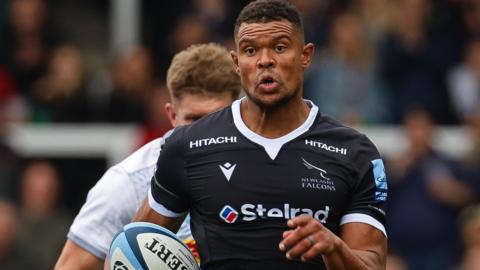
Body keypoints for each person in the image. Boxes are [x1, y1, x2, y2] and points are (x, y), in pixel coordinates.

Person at [135, 0, 388, 269]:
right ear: (236, 62)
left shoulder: (356, 153)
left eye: (279, 48)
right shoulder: (187, 146)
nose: (265, 60)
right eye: (250, 50)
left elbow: (372, 263)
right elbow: (134, 249)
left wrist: (334, 247)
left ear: (306, 56)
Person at [54, 43, 242, 270]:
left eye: (214, 119)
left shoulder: (264, 169)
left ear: (236, 116)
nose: (202, 134)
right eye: (193, 120)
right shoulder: (128, 182)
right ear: (172, 116)